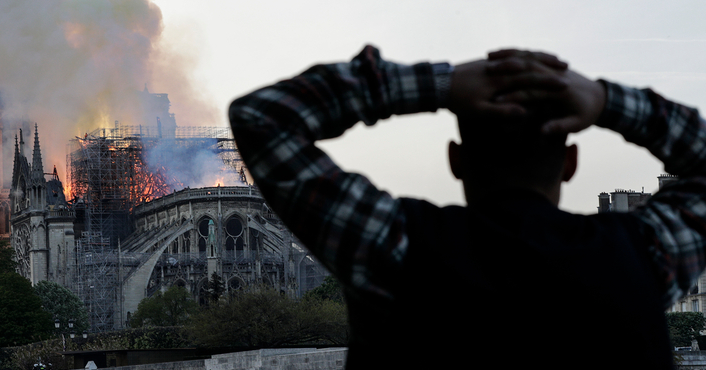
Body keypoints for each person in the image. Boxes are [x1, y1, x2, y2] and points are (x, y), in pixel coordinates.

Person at [228, 46, 706, 369]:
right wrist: (605, 101)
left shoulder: (394, 244)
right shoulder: (645, 256)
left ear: (455, 159)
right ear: (571, 163)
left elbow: (262, 116)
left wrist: (441, 84)